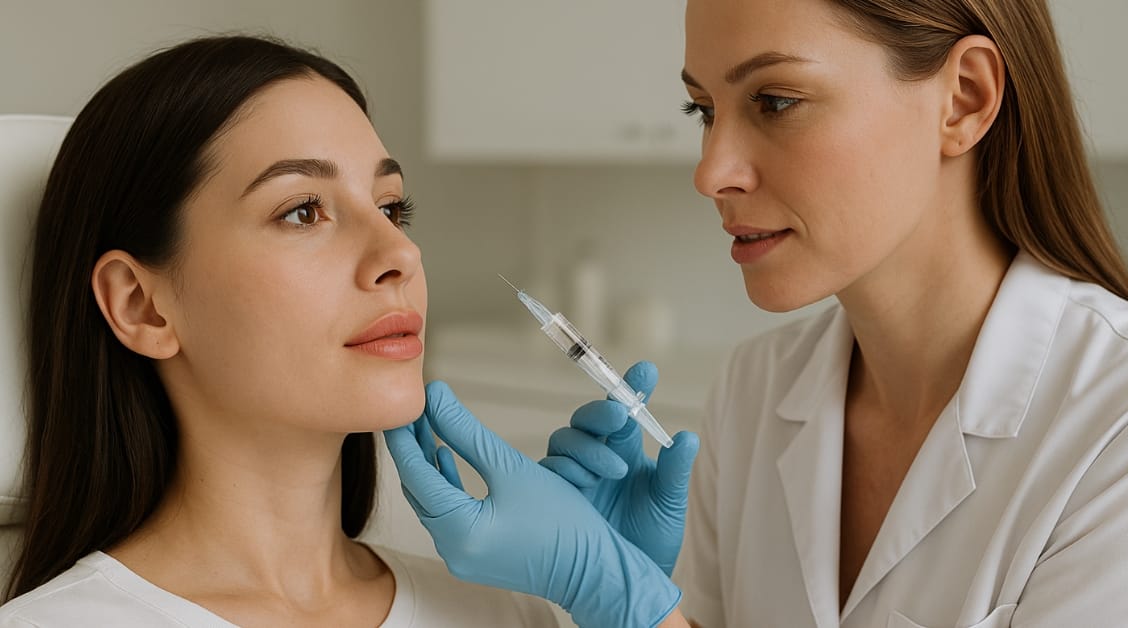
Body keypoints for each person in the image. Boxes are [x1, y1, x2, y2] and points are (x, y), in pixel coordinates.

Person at [395, 0, 1128, 626]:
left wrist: (624, 603)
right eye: (702, 110)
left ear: (963, 99)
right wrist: (636, 595)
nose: (711, 170)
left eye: (775, 101)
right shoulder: (756, 390)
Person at [0, 35, 691, 628]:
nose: (401, 254)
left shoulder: (508, 611)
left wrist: (629, 605)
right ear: (142, 307)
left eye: (392, 208)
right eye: (303, 211)